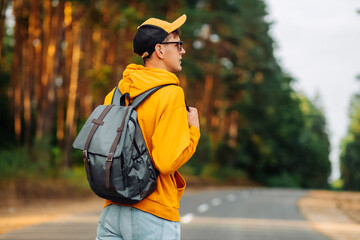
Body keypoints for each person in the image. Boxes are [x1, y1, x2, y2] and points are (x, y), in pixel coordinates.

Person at [96, 14, 200, 240]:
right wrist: (194, 132)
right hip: (154, 213)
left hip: (112, 210)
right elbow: (166, 162)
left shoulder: (115, 94)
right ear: (160, 50)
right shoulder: (171, 94)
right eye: (178, 44)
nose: (183, 51)